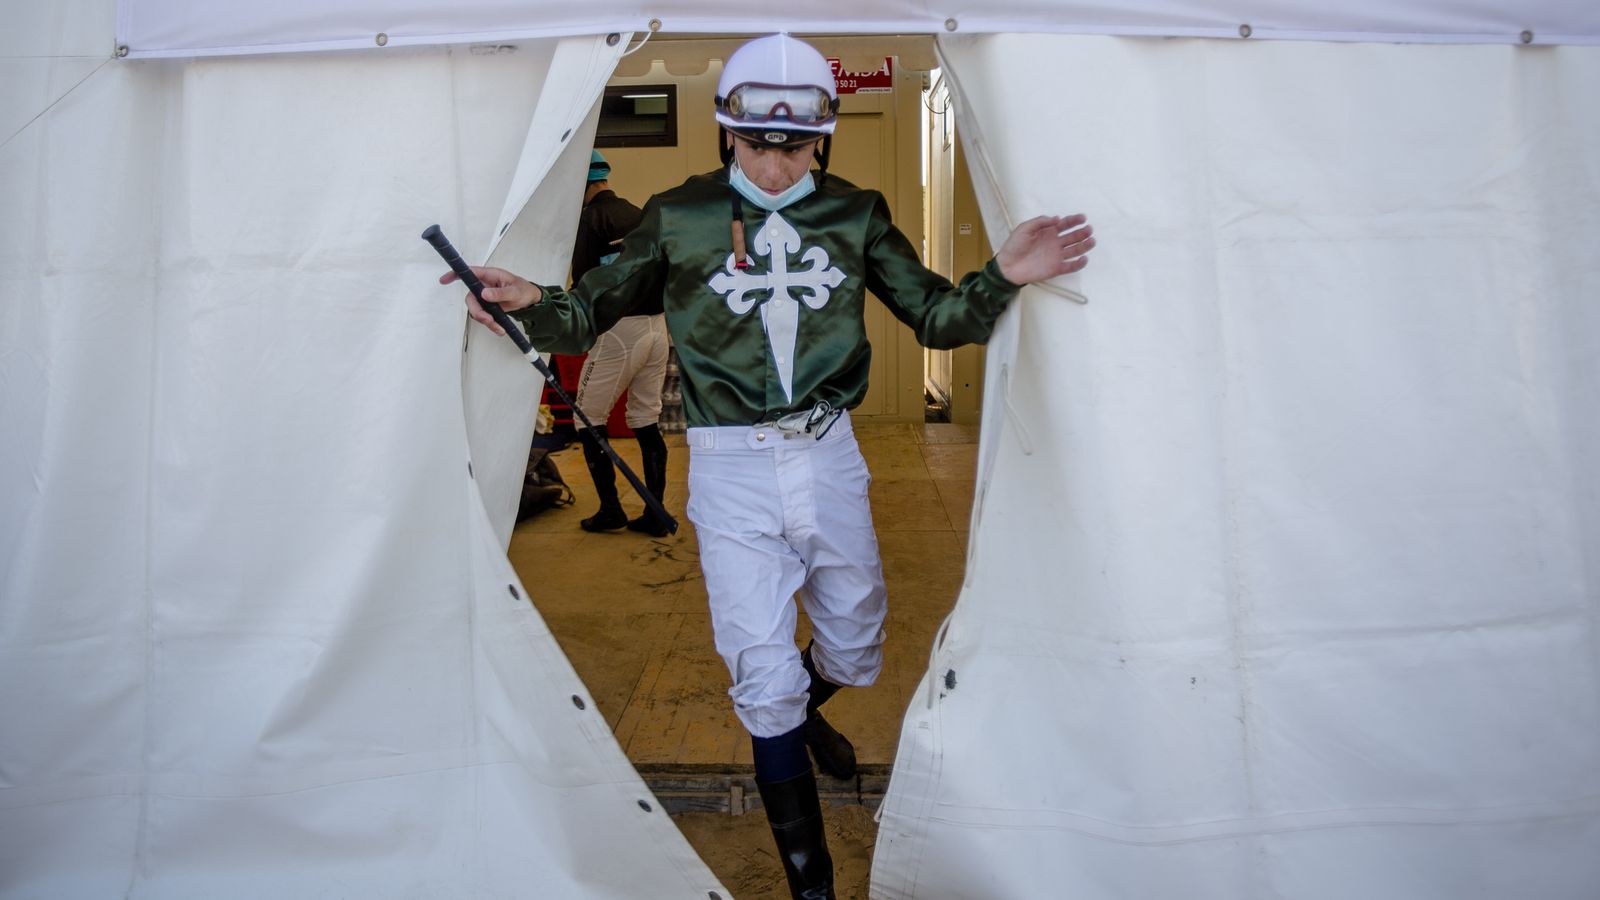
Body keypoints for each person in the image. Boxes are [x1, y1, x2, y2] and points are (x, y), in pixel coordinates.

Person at [443, 34, 1094, 900]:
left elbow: (939, 318)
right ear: (728, 132)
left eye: (797, 148)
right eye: (758, 146)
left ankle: (799, 717)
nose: (778, 167)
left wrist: (1003, 274)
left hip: (829, 454)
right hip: (727, 467)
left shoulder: (856, 212)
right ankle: (811, 882)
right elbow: (586, 313)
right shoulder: (678, 214)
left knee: (855, 644)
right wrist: (530, 302)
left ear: (822, 136)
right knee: (762, 670)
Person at [566, 150, 672, 536]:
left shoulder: (589, 219)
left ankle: (611, 511)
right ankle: (656, 513)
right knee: (646, 418)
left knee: (586, 417)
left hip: (620, 331)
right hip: (657, 327)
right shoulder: (637, 213)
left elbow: (585, 284)